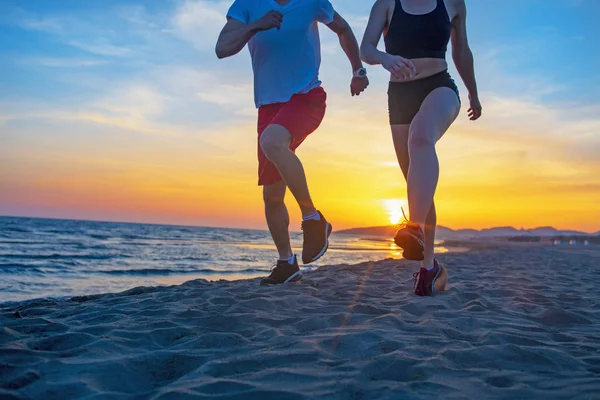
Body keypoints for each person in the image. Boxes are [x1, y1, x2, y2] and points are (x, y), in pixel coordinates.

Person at [216, 0, 369, 284]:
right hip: (268, 107)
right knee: (272, 196)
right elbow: (222, 48)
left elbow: (343, 28)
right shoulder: (247, 5)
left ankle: (313, 219)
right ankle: (287, 263)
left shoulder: (312, 2)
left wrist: (358, 70)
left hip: (306, 97)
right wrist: (254, 26)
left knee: (271, 141)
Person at [360, 0, 482, 295]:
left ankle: (414, 227)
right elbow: (366, 48)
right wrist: (384, 59)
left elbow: (461, 51)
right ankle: (429, 268)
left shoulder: (453, 3)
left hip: (440, 87)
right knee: (417, 184)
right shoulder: (387, 4)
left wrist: (473, 95)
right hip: (400, 95)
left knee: (421, 137)